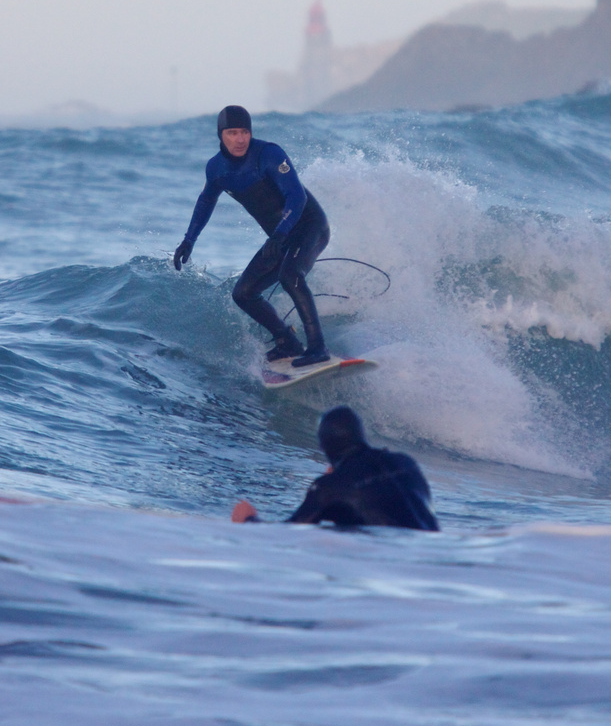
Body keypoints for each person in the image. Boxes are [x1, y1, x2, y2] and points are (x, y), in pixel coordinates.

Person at [172, 105, 331, 366]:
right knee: (243, 294)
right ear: (220, 135)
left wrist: (280, 234)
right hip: (280, 237)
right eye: (232, 133)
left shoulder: (268, 154)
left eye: (245, 132)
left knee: (290, 276)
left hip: (309, 226)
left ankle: (318, 348)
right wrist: (189, 240)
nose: (240, 139)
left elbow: (296, 195)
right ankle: (287, 342)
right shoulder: (216, 169)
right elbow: (205, 201)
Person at [232, 406, 439, 531]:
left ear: (324, 446)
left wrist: (249, 519)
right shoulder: (405, 462)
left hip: (397, 562)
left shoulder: (329, 488)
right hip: (434, 548)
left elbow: (290, 533)